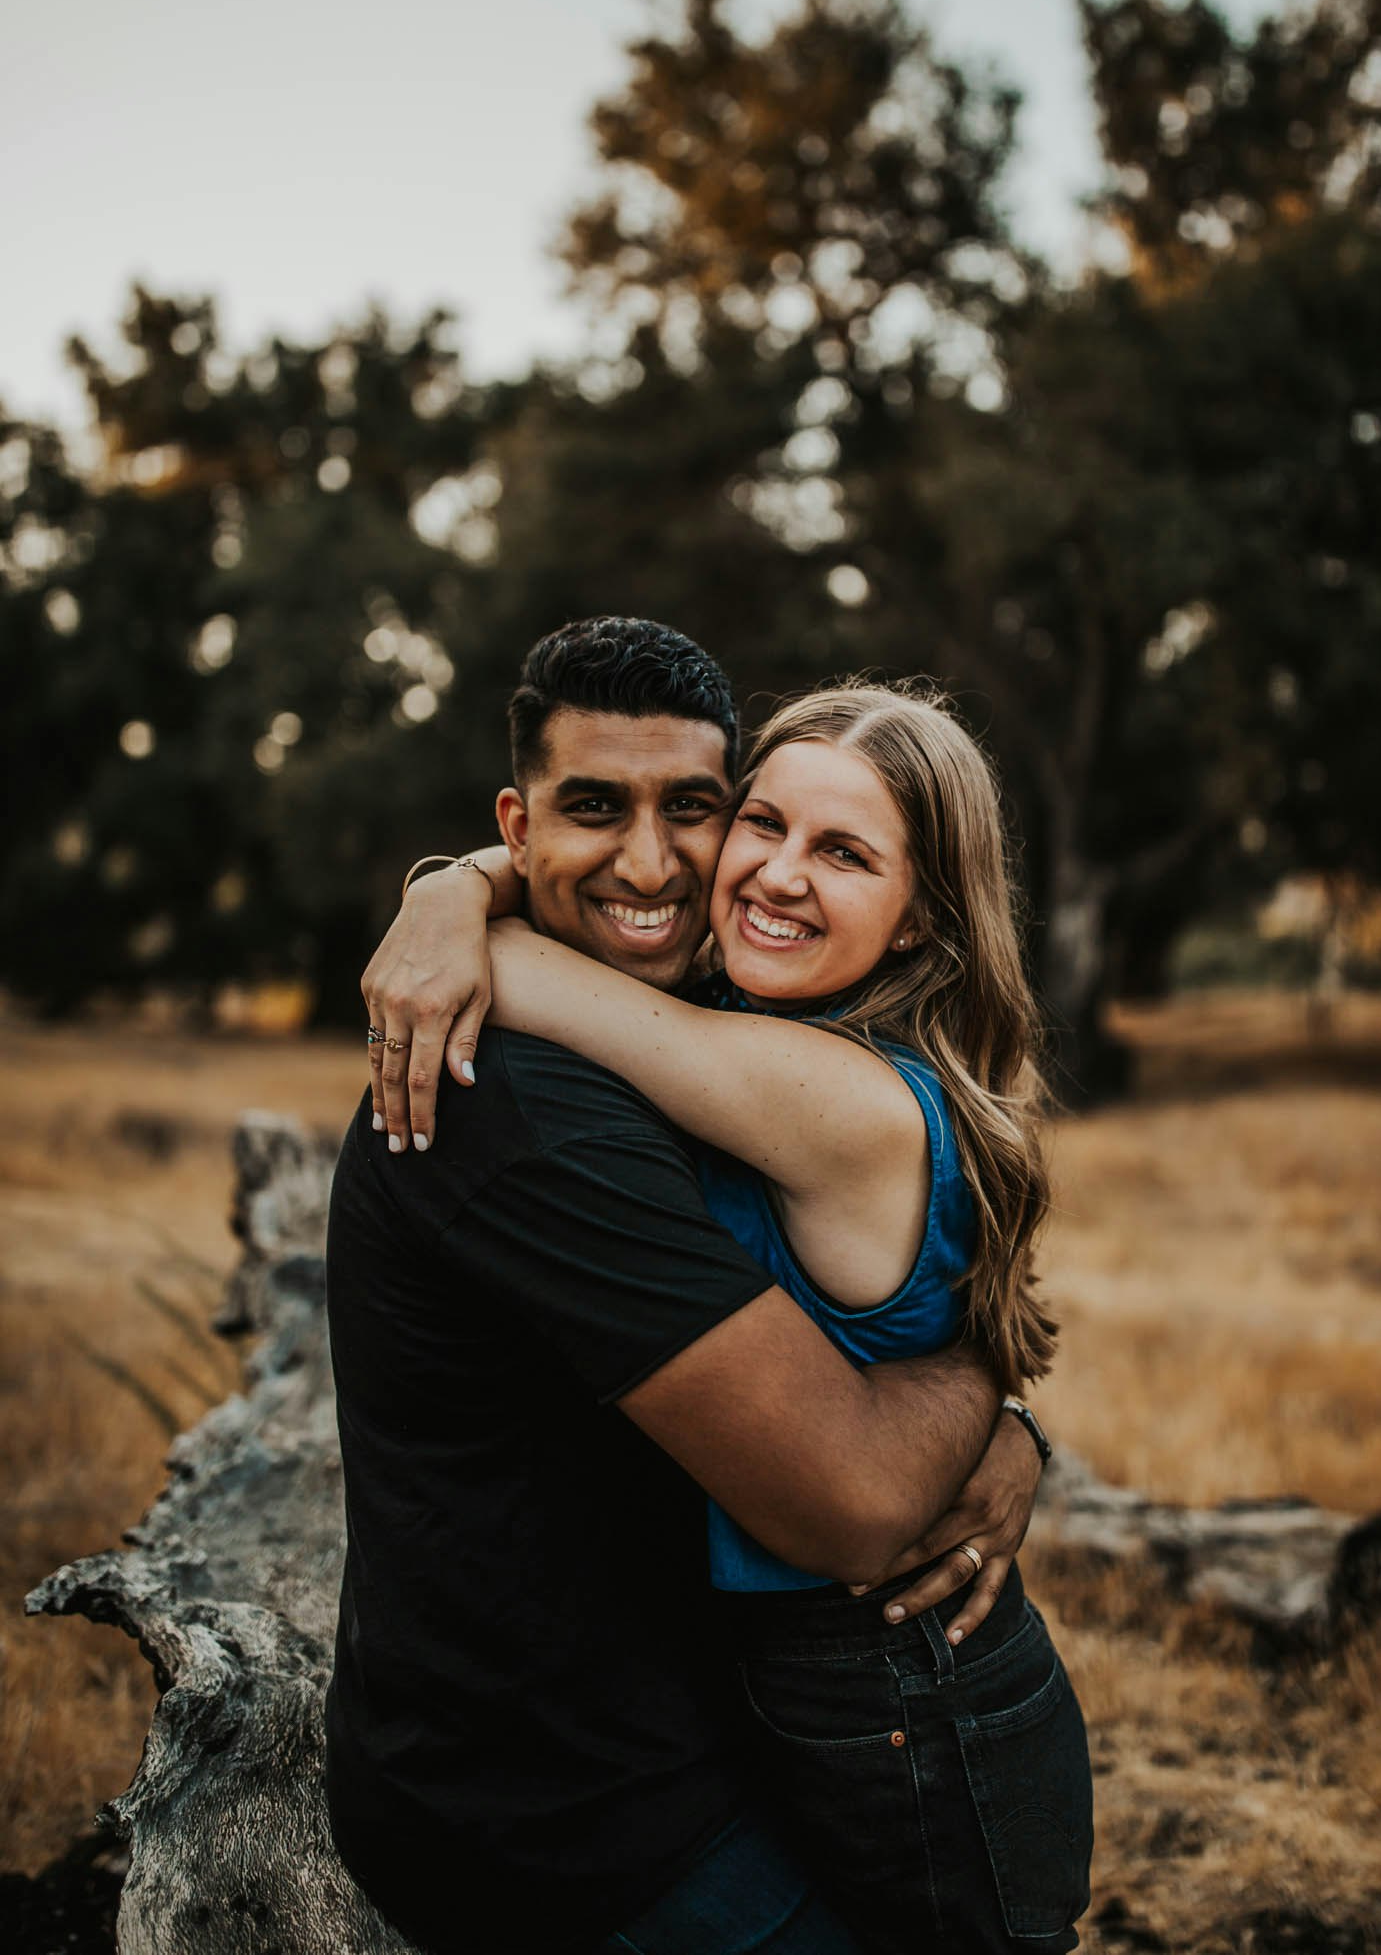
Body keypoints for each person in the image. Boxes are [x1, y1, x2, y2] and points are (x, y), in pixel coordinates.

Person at [329, 616, 1047, 1955]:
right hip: (583, 1813)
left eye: (699, 813)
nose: (671, 863)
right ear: (523, 817)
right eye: (769, 826)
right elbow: (856, 1502)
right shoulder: (536, 1098)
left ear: (923, 914)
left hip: (856, 1719)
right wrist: (980, 1383)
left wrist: (456, 891)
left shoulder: (752, 1053)